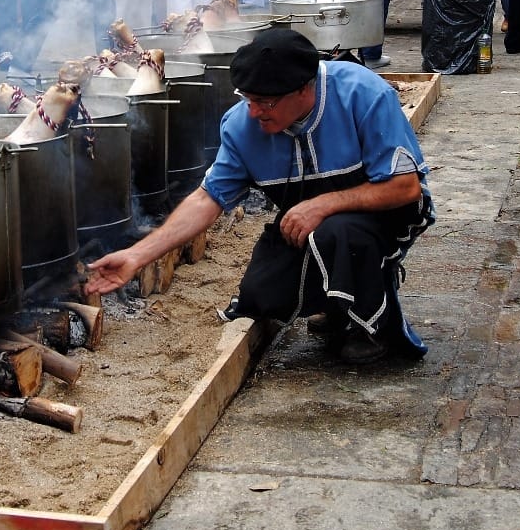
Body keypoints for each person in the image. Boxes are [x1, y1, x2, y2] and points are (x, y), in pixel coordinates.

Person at [85, 28, 435, 365]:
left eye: (264, 102)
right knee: (262, 296)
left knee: (339, 233)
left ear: (304, 90)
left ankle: (373, 325)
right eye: (247, 99)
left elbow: (405, 187)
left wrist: (323, 204)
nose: (254, 112)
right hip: (311, 223)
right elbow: (207, 199)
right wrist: (136, 256)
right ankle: (336, 299)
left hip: (386, 216)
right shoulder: (243, 125)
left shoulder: (364, 94)